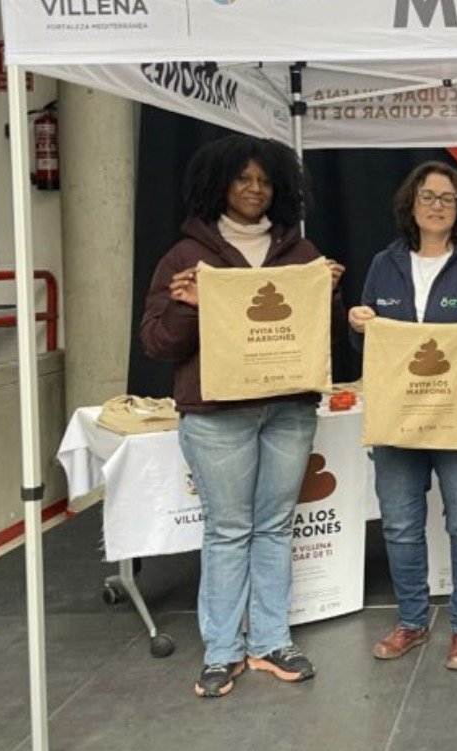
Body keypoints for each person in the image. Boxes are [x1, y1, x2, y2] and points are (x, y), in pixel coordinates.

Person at [140, 134, 344, 699]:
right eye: (243, 179)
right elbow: (157, 345)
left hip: (288, 410)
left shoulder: (302, 256)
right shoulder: (185, 257)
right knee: (229, 531)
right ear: (219, 185)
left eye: (264, 180)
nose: (255, 189)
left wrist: (324, 294)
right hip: (217, 416)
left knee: (275, 526)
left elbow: (312, 339)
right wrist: (186, 306)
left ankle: (272, 641)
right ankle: (223, 650)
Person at [349, 161, 457, 671]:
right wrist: (357, 323)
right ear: (411, 203)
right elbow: (368, 340)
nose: (437, 205)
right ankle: (412, 621)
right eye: (428, 196)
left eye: (447, 198)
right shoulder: (385, 264)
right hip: (398, 419)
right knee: (400, 525)